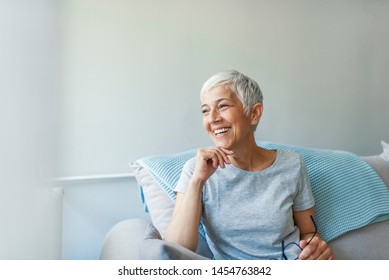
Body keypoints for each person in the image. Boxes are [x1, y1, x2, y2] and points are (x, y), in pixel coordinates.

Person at [164, 70, 333, 260]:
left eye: (223, 106)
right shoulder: (195, 170)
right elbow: (175, 250)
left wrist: (315, 249)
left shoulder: (292, 165)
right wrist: (197, 182)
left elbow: (309, 232)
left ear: (254, 113)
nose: (212, 118)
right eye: (205, 110)